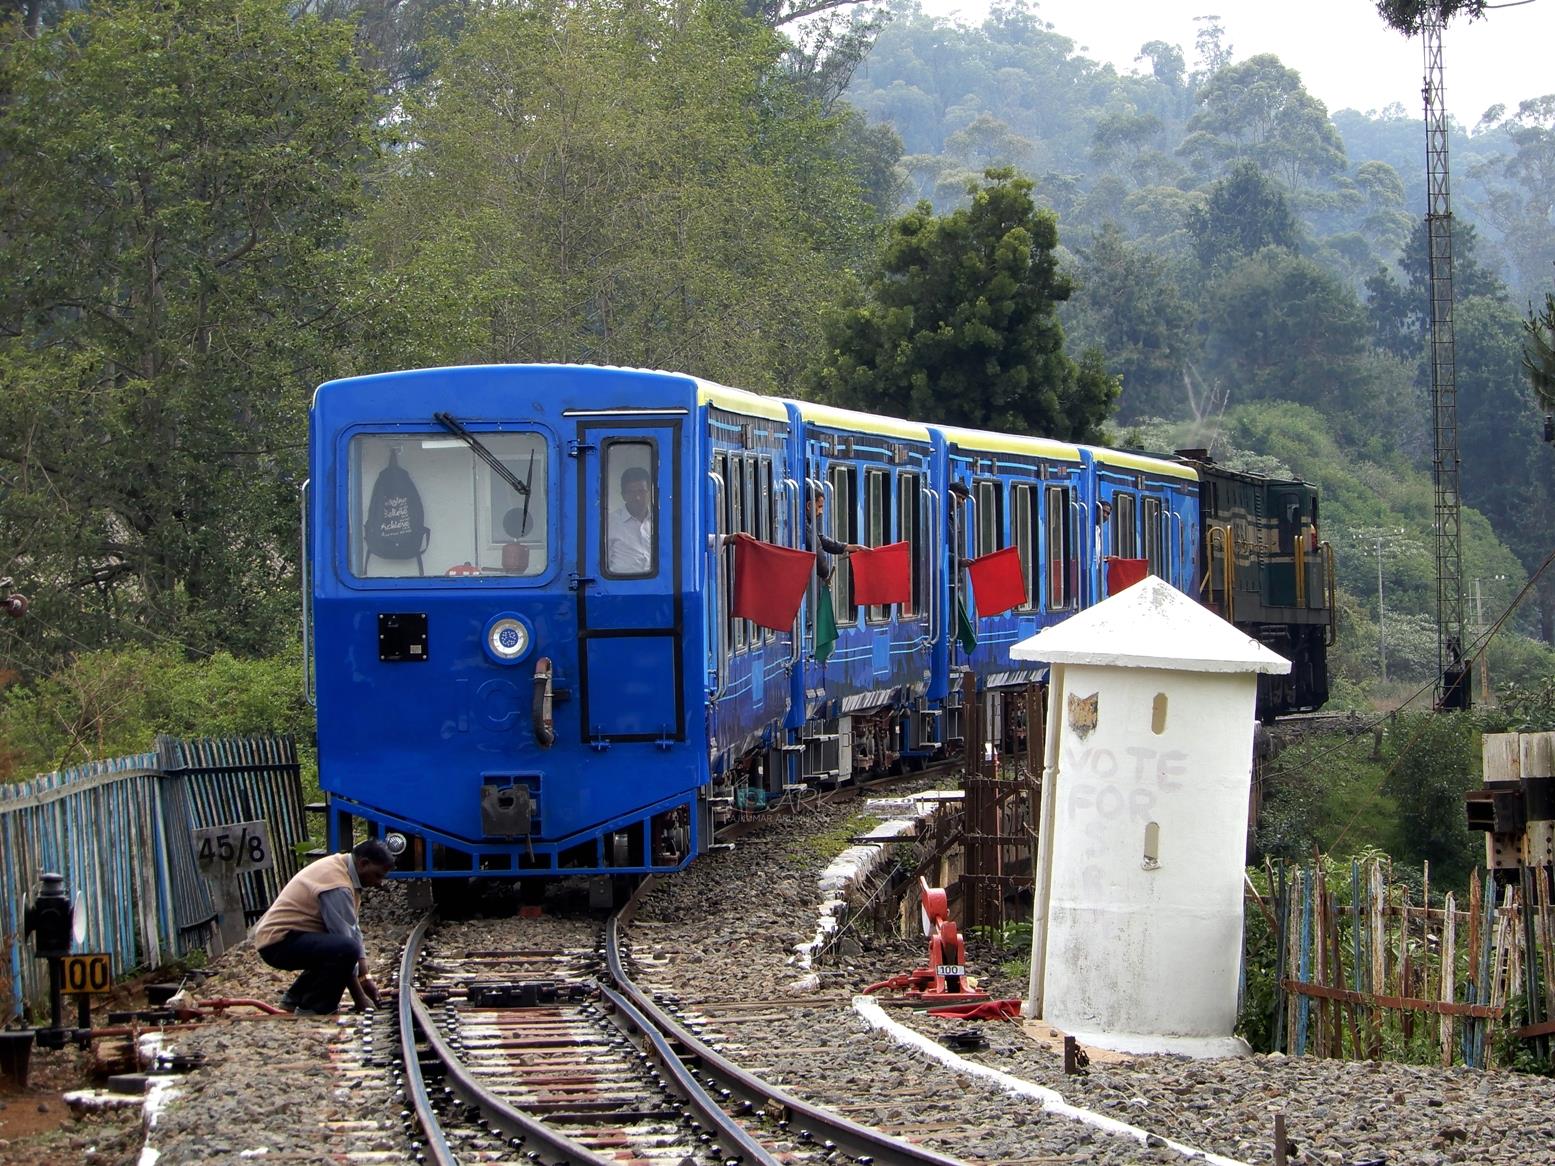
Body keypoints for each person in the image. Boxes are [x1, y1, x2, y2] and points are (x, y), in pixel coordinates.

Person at [252, 839, 393, 1015]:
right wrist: (360, 999)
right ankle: (314, 1008)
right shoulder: (337, 884)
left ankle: (295, 998)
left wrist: (366, 978)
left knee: (338, 948)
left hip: (289, 938)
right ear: (363, 863)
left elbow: (354, 931)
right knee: (342, 950)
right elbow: (346, 947)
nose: (380, 883)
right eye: (378, 875)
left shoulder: (343, 868)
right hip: (278, 943)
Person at [607, 465, 653, 574]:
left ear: (650, 493)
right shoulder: (609, 523)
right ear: (623, 495)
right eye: (631, 492)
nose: (637, 497)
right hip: (621, 587)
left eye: (642, 491)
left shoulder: (662, 522)